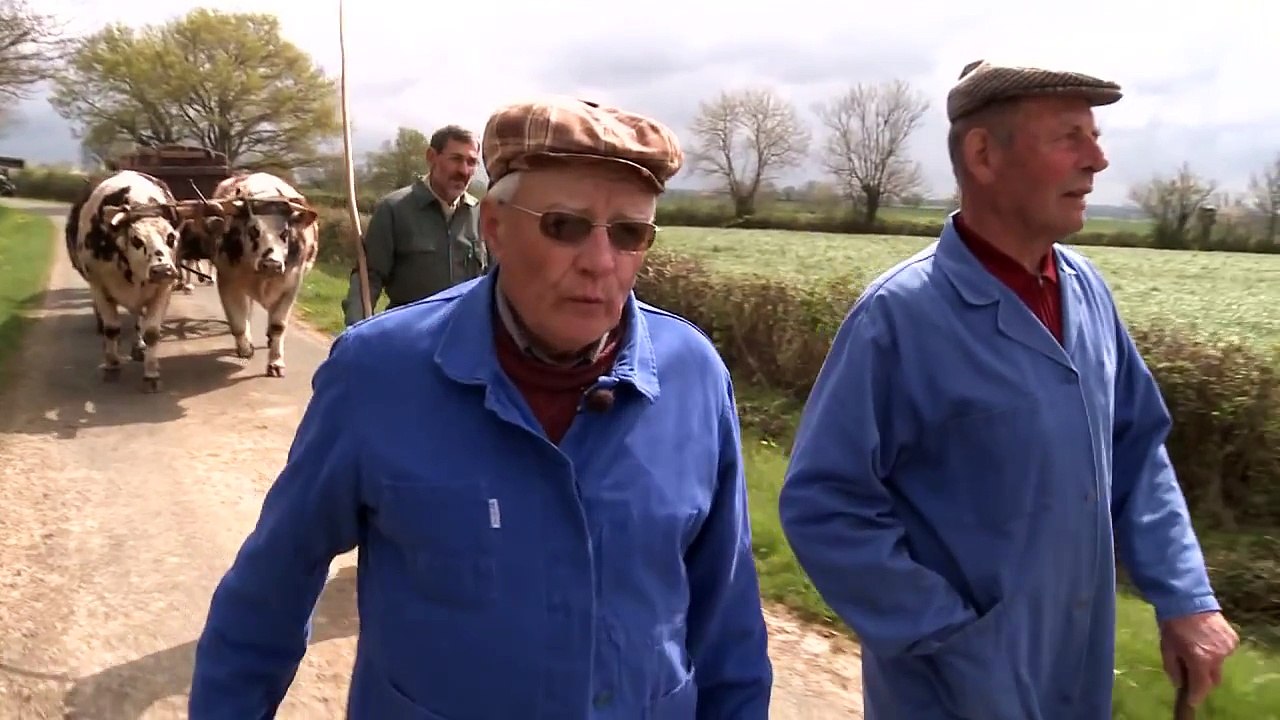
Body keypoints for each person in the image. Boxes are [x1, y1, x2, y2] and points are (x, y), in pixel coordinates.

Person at [189, 96, 773, 719]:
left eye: (629, 233)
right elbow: (270, 591)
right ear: (494, 226)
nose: (600, 262)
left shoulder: (694, 375)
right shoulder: (377, 374)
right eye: (565, 226)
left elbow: (728, 617)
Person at [777, 60, 1239, 719]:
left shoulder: (1087, 292)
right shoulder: (900, 317)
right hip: (949, 695)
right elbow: (825, 504)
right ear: (984, 155)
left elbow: (1135, 451)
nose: (1098, 160)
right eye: (1070, 137)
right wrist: (953, 640)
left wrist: (1184, 596)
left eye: (1095, 136)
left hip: (1076, 678)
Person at [341, 123, 488, 327]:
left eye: (471, 162)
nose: (464, 170)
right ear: (431, 157)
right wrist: (356, 329)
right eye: (455, 159)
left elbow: (494, 283)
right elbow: (369, 278)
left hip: (461, 334)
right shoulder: (394, 209)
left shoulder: (482, 216)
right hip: (407, 333)